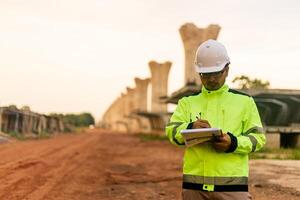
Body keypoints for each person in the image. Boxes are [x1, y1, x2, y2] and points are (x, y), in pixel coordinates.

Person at [165, 39, 266, 200]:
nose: (211, 79)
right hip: (194, 188)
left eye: (216, 73)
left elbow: (258, 139)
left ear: (227, 69)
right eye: (206, 74)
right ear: (199, 73)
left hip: (232, 188)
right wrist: (190, 127)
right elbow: (171, 130)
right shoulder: (187, 103)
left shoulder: (245, 102)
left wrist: (233, 143)